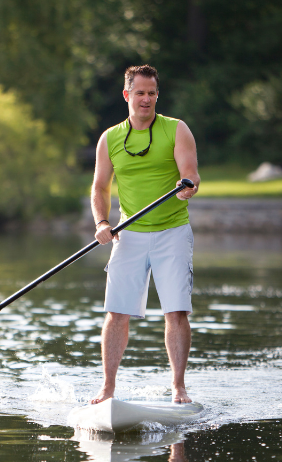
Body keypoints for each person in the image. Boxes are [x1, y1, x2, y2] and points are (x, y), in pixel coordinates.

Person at [90, 64, 199, 405]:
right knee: (116, 313)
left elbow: (191, 175)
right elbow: (99, 187)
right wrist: (101, 223)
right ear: (127, 95)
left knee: (176, 311)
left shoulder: (177, 130)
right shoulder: (110, 138)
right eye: (140, 93)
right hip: (128, 234)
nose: (146, 99)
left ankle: (178, 387)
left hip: (172, 232)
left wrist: (186, 189)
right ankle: (108, 389)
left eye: (152, 93)